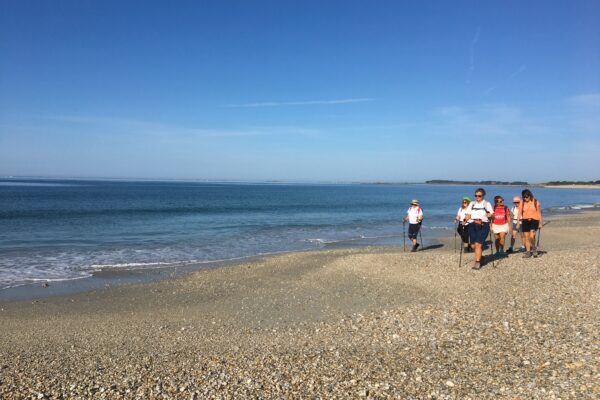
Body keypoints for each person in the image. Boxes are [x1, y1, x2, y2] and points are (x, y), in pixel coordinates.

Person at [464, 188, 494, 269]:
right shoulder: (472, 204)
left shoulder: (486, 204)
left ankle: (477, 262)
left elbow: (492, 214)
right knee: (473, 246)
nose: (477, 197)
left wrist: (490, 215)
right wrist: (464, 220)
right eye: (476, 195)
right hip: (472, 225)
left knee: (478, 244)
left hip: (483, 225)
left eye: (479, 196)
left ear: (483, 196)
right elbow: (468, 214)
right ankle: (481, 258)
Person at [518, 189, 543, 258]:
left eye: (527, 197)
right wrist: (517, 222)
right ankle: (528, 252)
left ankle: (534, 248)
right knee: (526, 237)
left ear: (530, 195)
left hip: (534, 220)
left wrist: (541, 223)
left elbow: (539, 213)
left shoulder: (535, 201)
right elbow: (519, 213)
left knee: (532, 236)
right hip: (525, 220)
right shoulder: (522, 202)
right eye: (524, 197)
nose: (525, 198)